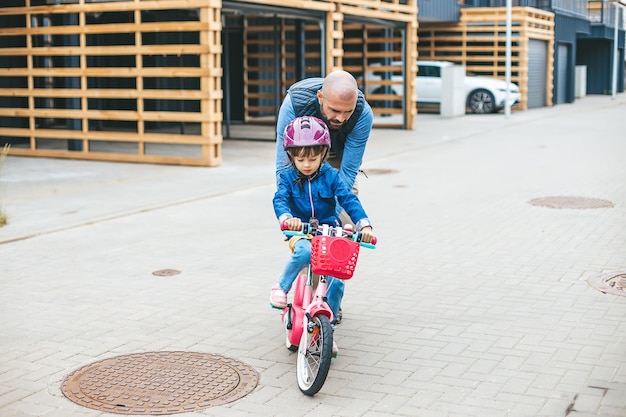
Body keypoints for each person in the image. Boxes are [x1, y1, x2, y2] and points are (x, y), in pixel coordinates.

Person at [274, 70, 374, 323]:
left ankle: (328, 300)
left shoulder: (362, 115)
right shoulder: (296, 103)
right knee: (307, 226)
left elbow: (348, 173)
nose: (340, 117)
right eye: (334, 110)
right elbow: (284, 165)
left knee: (338, 231)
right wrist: (290, 212)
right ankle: (304, 290)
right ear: (320, 97)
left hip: (336, 161)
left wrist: (333, 216)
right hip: (302, 151)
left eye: (346, 112)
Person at [270, 116, 375, 354]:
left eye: (313, 158)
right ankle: (281, 287)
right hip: (301, 231)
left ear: (324, 154)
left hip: (328, 230)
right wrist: (287, 219)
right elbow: (280, 199)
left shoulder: (331, 176)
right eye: (300, 158)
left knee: (338, 279)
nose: (306, 164)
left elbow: (349, 199)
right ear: (291, 157)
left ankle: (327, 328)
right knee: (305, 252)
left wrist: (364, 225)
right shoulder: (287, 177)